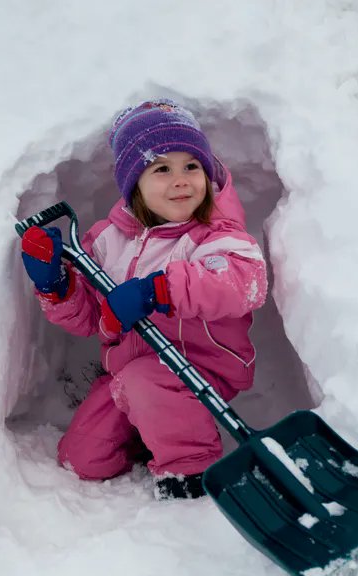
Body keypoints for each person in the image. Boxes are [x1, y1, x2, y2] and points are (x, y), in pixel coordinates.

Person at [19, 99, 267, 499]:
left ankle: (191, 470)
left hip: (202, 367)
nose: (181, 180)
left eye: (192, 166)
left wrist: (159, 291)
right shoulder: (107, 241)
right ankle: (156, 429)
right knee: (82, 458)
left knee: (144, 381)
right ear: (134, 182)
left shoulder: (216, 233)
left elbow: (244, 282)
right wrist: (56, 284)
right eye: (162, 169)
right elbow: (88, 316)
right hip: (130, 373)